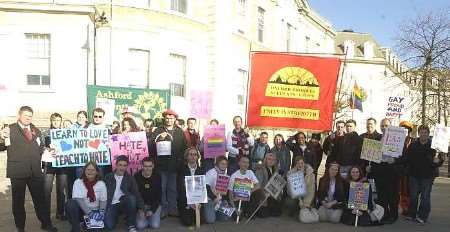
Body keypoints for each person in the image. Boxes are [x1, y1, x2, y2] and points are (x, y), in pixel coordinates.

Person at [0, 106, 57, 232]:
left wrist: (48, 151)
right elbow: (2, 147)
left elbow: (40, 147)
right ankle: (20, 227)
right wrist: (2, 138)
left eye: (30, 116)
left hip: (35, 171)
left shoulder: (35, 130)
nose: (28, 118)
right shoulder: (9, 129)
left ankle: (46, 224)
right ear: (19, 115)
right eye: (25, 115)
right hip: (18, 171)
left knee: (40, 199)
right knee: (18, 202)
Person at [150, 109, 187, 217]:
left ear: (175, 119)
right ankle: (163, 209)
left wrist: (180, 160)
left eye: (171, 118)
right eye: (167, 118)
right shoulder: (158, 130)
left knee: (172, 188)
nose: (169, 120)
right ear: (164, 119)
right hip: (161, 165)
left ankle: (173, 208)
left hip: (175, 166)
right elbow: (151, 146)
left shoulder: (180, 132)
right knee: (162, 188)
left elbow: (184, 147)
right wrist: (158, 139)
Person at [404, 125, 444, 224]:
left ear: (428, 134)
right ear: (419, 133)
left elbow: (440, 161)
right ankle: (412, 213)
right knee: (413, 196)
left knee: (425, 197)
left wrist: (437, 161)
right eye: (421, 132)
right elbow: (407, 158)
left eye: (425, 132)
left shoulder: (434, 146)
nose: (423, 134)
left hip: (427, 176)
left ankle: (422, 215)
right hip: (414, 175)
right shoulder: (413, 145)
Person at [371, 118, 400, 224]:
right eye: (382, 126)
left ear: (390, 126)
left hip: (392, 171)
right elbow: (373, 157)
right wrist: (370, 168)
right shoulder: (377, 138)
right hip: (380, 171)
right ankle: (384, 214)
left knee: (392, 195)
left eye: (386, 126)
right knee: (382, 195)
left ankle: (393, 215)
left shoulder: (397, 139)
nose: (384, 128)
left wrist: (395, 160)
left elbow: (403, 157)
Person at [104, 155, 143, 232]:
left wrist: (141, 208)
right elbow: (102, 193)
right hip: (112, 204)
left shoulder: (130, 178)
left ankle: (131, 224)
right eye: (120, 165)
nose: (122, 168)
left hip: (124, 202)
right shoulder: (108, 177)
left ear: (127, 166)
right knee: (109, 226)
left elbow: (136, 193)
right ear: (116, 165)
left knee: (131, 198)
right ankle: (116, 217)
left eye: (124, 165)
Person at [66, 162, 107, 232]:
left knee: (96, 229)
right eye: (88, 169)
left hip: (95, 210)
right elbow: (79, 200)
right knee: (70, 203)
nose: (90, 172)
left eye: (93, 170)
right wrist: (89, 213)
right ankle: (76, 228)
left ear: (97, 172)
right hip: (81, 210)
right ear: (84, 171)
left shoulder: (101, 184)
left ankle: (86, 225)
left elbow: (103, 201)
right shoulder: (78, 182)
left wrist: (101, 213)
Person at [42, 113, 69, 220]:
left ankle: (60, 213)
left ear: (61, 121)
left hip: (62, 164)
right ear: (51, 121)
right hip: (49, 165)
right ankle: (46, 214)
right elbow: (41, 147)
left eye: (58, 120)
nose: (56, 122)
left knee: (61, 190)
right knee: (47, 190)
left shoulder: (65, 133)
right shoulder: (45, 133)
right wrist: (47, 150)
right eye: (54, 120)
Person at [177, 147, 206, 226]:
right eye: (191, 154)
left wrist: (200, 202)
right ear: (186, 156)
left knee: (202, 221)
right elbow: (181, 189)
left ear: (197, 157)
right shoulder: (181, 170)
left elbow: (203, 189)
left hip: (198, 202)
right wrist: (189, 203)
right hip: (186, 202)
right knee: (188, 223)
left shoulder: (202, 170)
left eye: (195, 154)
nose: (193, 156)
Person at [285, 156, 317, 223]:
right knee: (289, 202)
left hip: (307, 195)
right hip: (296, 196)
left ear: (304, 163)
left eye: (301, 163)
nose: (300, 165)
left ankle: (305, 208)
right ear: (295, 164)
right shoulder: (290, 173)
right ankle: (295, 209)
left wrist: (306, 203)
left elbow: (311, 190)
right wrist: (299, 201)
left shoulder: (311, 175)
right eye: (297, 163)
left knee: (308, 206)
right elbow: (289, 190)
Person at [134, 157, 162, 230]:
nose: (148, 168)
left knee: (155, 225)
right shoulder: (136, 177)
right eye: (145, 166)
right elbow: (135, 195)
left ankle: (151, 217)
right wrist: (140, 209)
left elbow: (159, 196)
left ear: (153, 166)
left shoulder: (157, 177)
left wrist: (152, 210)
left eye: (150, 166)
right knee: (140, 226)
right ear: (142, 166)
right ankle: (145, 218)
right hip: (142, 205)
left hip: (154, 204)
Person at [204, 155, 232, 223]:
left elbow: (225, 191)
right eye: (222, 163)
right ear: (217, 164)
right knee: (210, 220)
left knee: (226, 218)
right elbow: (206, 188)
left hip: (219, 200)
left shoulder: (225, 175)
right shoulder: (211, 173)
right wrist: (214, 198)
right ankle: (207, 211)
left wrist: (225, 200)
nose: (224, 166)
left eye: (226, 164)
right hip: (209, 199)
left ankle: (215, 211)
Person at [254, 153, 283, 218]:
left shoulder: (275, 169)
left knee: (277, 212)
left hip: (272, 194)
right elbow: (258, 185)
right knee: (264, 215)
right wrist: (264, 194)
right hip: (262, 194)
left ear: (275, 161)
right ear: (265, 160)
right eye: (269, 159)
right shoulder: (260, 169)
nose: (271, 161)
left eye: (273, 160)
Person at [398, 120, 415, 216]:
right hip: (399, 168)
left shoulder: (413, 141)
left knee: (408, 190)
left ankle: (408, 208)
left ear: (409, 131)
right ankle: (400, 206)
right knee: (399, 189)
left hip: (410, 170)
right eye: (403, 128)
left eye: (407, 129)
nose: (405, 131)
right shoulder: (396, 140)